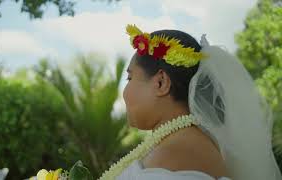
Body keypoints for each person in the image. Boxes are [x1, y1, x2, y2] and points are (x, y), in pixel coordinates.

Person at [98, 24, 282, 180]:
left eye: (130, 78)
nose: (125, 91)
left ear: (161, 83)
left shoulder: (176, 152)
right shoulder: (180, 143)